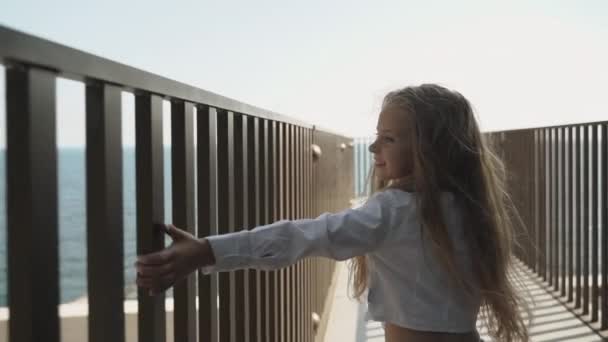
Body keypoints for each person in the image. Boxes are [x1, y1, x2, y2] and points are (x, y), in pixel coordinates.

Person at [136, 84, 530, 342]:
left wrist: (208, 250)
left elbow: (305, 235)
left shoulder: (394, 212)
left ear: (432, 149)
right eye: (376, 135)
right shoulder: (471, 207)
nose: (374, 147)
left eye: (388, 139)